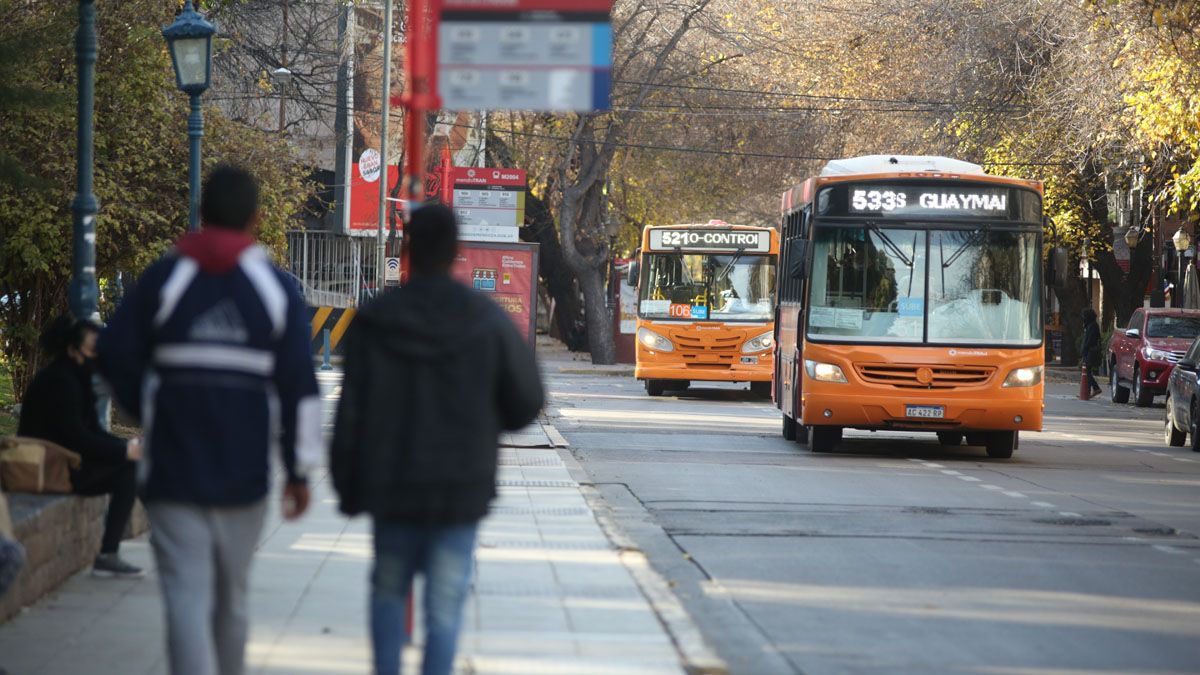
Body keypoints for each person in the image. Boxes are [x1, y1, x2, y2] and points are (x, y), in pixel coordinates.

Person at [97, 164, 321, 675]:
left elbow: (112, 351)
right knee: (231, 600)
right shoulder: (274, 289)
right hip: (244, 477)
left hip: (172, 470)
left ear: (202, 213)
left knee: (185, 598)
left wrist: (145, 405)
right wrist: (299, 471)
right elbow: (300, 389)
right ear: (256, 218)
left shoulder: (166, 278)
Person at [331, 204, 544, 675]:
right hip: (458, 489)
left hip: (391, 486)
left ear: (408, 248)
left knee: (388, 593)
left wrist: (346, 486)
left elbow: (352, 410)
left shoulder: (377, 318)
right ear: (454, 252)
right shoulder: (486, 318)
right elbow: (527, 401)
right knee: (445, 609)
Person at [17, 316, 143, 577]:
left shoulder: (76, 377)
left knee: (131, 465)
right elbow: (75, 437)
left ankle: (117, 550)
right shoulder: (61, 381)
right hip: (51, 466)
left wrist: (127, 446)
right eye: (92, 350)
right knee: (127, 474)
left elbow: (92, 430)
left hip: (66, 459)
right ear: (73, 350)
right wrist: (123, 452)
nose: (97, 356)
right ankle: (108, 555)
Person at [1080, 307, 1102, 399]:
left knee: (1087, 372)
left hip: (1090, 352)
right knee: (1087, 371)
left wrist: (1084, 349)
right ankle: (1087, 392)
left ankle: (1095, 388)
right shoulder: (1090, 325)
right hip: (1088, 351)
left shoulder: (1092, 326)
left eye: (1084, 316)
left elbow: (1089, 340)